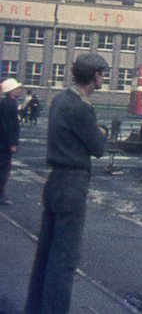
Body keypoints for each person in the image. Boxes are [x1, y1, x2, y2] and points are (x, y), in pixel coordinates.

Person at [24, 53, 109, 314]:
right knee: (65, 256)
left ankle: (35, 308)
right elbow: (98, 148)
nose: (103, 78)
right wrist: (102, 132)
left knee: (46, 253)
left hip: (54, 181)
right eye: (102, 73)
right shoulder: (82, 108)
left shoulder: (60, 100)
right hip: (73, 183)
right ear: (94, 76)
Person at [0, 77, 22, 205]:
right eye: (17, 88)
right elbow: (9, 126)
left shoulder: (5, 102)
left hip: (2, 142)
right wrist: (12, 143)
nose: (19, 90)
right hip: (4, 144)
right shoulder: (9, 104)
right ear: (11, 90)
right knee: (3, 169)